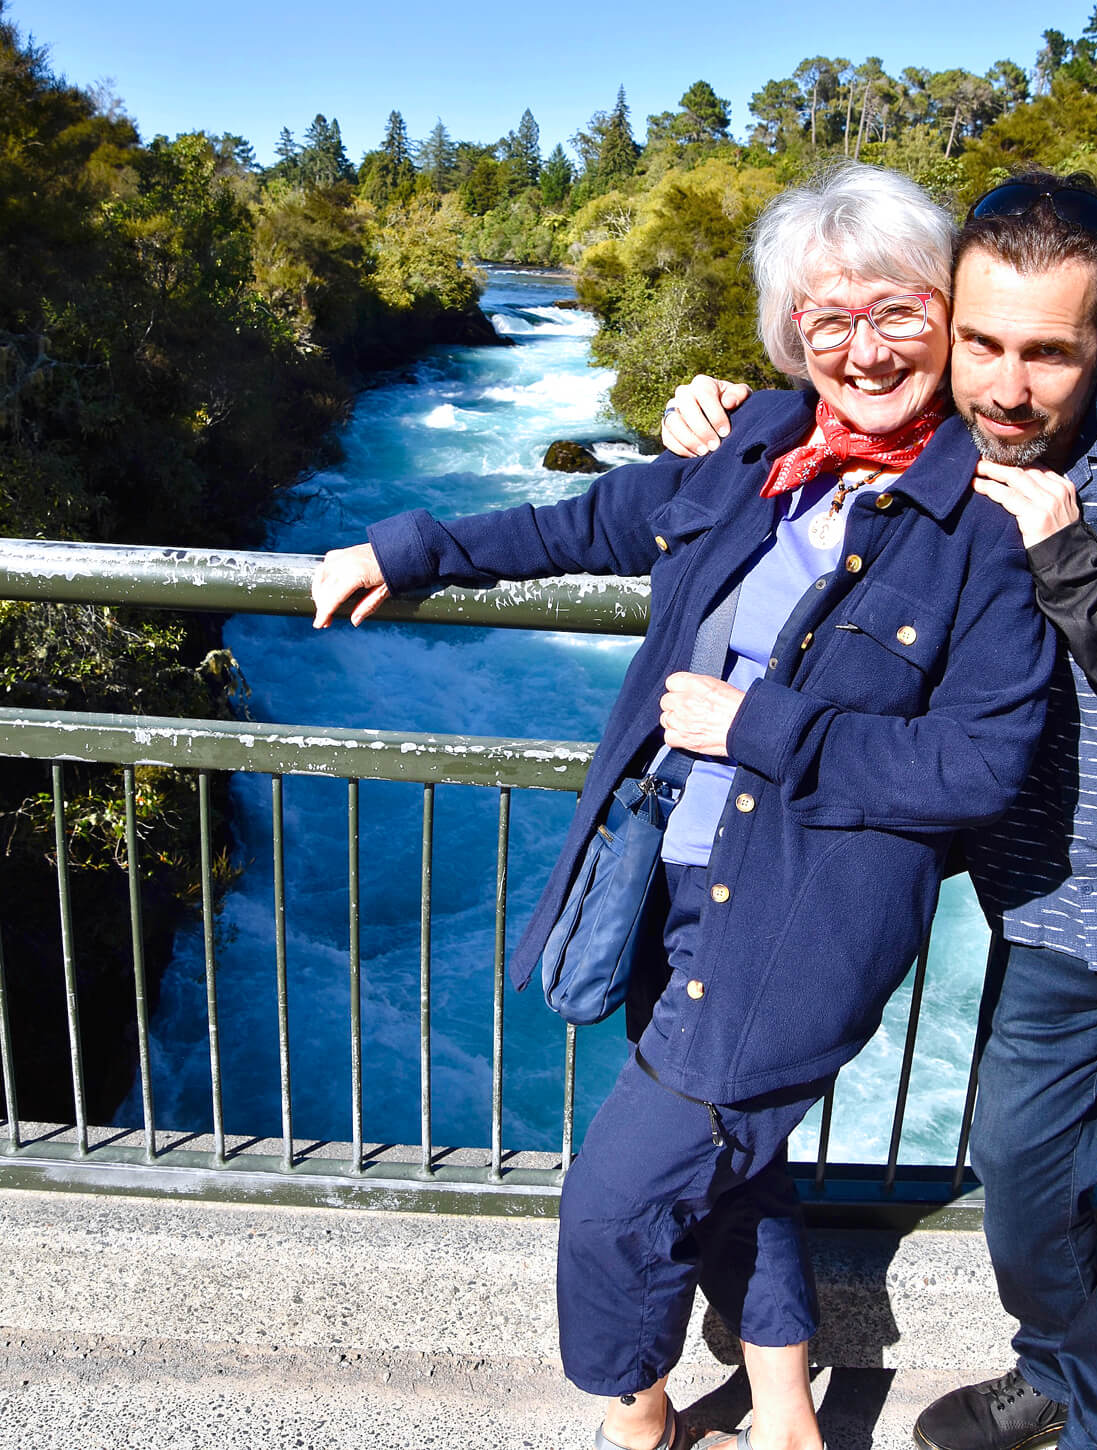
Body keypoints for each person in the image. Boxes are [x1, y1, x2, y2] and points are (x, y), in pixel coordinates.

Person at [310, 163, 1052, 1450]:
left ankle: (638, 1412)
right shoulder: (756, 445)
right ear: (788, 332)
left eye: (896, 314)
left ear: (951, 316)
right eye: (828, 319)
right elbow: (580, 524)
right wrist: (406, 545)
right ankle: (784, 1413)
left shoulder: (986, 518)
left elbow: (981, 767)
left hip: (805, 915)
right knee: (736, 1157)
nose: (863, 350)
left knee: (615, 1200)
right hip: (670, 873)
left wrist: (763, 725)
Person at [660, 169, 1097, 1450]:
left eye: (1050, 354)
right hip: (1045, 921)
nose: (1008, 386)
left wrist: (1073, 564)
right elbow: (838, 404)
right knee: (1022, 1195)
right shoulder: (946, 430)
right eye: (982, 343)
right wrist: (725, 414)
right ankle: (1067, 1369)